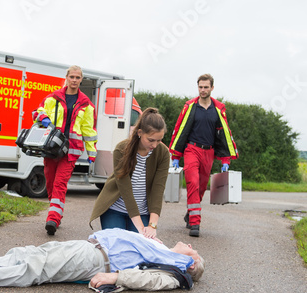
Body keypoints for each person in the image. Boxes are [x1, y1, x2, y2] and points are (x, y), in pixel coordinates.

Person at [0, 229, 205, 292]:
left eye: (192, 252)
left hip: (97, 258)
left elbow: (150, 280)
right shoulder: (159, 248)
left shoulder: (175, 270)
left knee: (34, 268)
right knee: (25, 254)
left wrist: (116, 277)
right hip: (90, 246)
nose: (190, 246)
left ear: (189, 264)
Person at [169, 74, 238, 237]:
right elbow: (180, 130)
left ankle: (190, 213)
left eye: (206, 87)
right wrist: (176, 155)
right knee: (192, 183)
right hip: (191, 150)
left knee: (200, 188)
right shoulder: (190, 107)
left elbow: (224, 135)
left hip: (209, 152)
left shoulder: (218, 109)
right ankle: (195, 223)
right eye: (200, 87)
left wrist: (225, 159)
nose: (203, 90)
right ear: (197, 87)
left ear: (212, 88)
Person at [32, 65, 97, 236]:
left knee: (60, 183)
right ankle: (57, 213)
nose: (74, 80)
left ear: (81, 80)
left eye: (78, 77)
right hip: (51, 147)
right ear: (67, 77)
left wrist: (92, 153)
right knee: (50, 182)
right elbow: (37, 112)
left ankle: (52, 218)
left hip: (71, 150)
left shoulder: (87, 105)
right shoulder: (53, 97)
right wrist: (43, 118)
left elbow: (89, 131)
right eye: (72, 77)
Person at [89, 108, 169, 239]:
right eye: (151, 140)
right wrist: (139, 227)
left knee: (139, 251)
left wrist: (152, 226)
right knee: (117, 246)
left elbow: (158, 190)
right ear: (139, 133)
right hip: (115, 209)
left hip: (143, 211)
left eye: (159, 140)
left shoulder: (163, 153)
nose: (155, 145)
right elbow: (125, 190)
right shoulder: (121, 149)